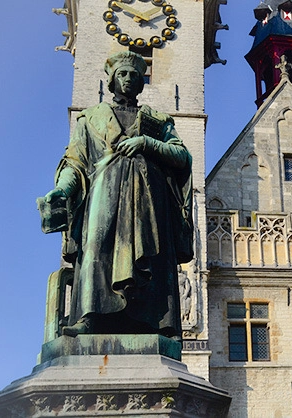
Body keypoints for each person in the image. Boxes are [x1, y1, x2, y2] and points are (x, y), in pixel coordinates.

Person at [41, 51, 193, 338]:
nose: (128, 79)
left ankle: (154, 322)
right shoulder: (90, 119)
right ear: (111, 81)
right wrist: (62, 189)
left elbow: (182, 157)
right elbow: (75, 162)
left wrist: (147, 143)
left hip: (148, 198)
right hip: (103, 195)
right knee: (96, 248)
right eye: (122, 74)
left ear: (141, 83)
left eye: (134, 75)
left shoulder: (157, 121)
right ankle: (90, 317)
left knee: (152, 254)